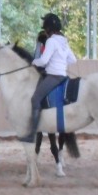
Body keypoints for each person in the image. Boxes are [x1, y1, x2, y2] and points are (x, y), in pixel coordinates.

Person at [18, 13, 77, 143]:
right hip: (63, 76)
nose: (44, 30)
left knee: (35, 99)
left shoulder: (51, 41)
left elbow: (43, 61)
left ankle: (31, 134)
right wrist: (61, 62)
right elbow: (73, 60)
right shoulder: (63, 41)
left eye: (45, 27)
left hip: (53, 77)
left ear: (48, 28)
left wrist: (34, 62)